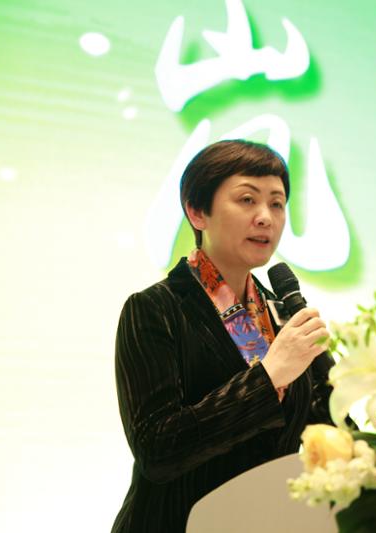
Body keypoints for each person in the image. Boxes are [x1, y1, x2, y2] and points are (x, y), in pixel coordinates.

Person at [111, 139, 334, 533]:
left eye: (277, 203)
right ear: (197, 212)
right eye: (247, 200)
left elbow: (326, 433)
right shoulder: (154, 309)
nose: (265, 217)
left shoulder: (282, 312)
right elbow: (157, 449)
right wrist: (267, 378)